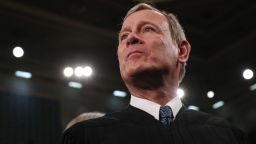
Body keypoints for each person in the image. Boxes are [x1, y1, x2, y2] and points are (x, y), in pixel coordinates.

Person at [61, 3, 249, 144]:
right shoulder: (85, 136)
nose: (131, 38)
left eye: (148, 29)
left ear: (182, 51)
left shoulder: (228, 136)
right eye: (124, 36)